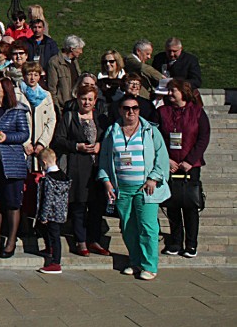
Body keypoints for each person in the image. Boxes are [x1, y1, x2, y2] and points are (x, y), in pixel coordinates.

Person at [98, 93, 171, 280]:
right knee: (128, 226)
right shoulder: (112, 131)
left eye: (135, 108)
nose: (131, 112)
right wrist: (106, 180)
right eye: (126, 108)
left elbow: (161, 157)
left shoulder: (150, 131)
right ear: (120, 110)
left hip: (146, 187)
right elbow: (105, 159)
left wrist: (153, 178)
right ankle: (135, 261)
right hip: (122, 187)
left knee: (148, 226)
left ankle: (149, 265)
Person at [50, 84, 111, 257]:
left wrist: (100, 145)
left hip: (97, 169)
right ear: (77, 99)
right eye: (83, 99)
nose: (86, 102)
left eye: (90, 99)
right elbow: (58, 140)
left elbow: (109, 139)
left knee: (96, 207)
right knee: (79, 206)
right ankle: (81, 240)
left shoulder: (101, 119)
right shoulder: (70, 117)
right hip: (77, 167)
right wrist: (76, 146)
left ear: (95, 101)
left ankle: (94, 240)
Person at [158, 78, 210, 258]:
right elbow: (157, 138)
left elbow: (203, 138)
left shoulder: (197, 112)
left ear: (183, 92)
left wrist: (190, 160)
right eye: (169, 91)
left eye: (173, 90)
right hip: (170, 165)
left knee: (189, 205)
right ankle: (175, 241)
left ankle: (191, 244)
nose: (170, 94)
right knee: (173, 204)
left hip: (190, 166)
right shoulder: (162, 112)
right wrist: (167, 160)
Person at [0, 78, 30, 258]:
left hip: (11, 162)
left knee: (11, 203)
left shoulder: (17, 111)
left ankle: (10, 240)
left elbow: (24, 134)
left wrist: (6, 137)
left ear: (5, 91)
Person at [35, 148, 71, 274]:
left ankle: (56, 262)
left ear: (44, 163)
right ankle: (49, 248)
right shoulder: (63, 176)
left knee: (55, 236)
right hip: (61, 211)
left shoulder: (49, 180)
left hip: (51, 213)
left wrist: (43, 215)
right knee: (49, 232)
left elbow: (48, 199)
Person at [19, 62, 56, 159]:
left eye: (35, 75)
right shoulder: (17, 94)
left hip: (40, 144)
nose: (32, 78)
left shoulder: (46, 95)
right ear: (24, 75)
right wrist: (25, 143)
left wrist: (42, 143)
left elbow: (51, 120)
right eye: (29, 74)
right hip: (24, 144)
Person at [47, 35, 84, 108]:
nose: (81, 52)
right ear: (72, 49)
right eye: (79, 49)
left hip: (76, 104)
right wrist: (56, 107)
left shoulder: (75, 62)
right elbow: (52, 88)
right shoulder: (55, 62)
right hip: (63, 106)